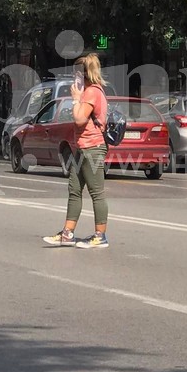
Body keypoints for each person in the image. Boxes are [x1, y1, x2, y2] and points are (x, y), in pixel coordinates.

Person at [43, 53, 110, 249]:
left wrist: (75, 99)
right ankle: (67, 234)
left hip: (93, 148)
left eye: (77, 74)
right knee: (74, 191)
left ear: (85, 74)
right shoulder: (91, 91)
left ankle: (100, 236)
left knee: (96, 192)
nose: (74, 77)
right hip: (81, 148)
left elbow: (80, 118)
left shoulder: (91, 92)